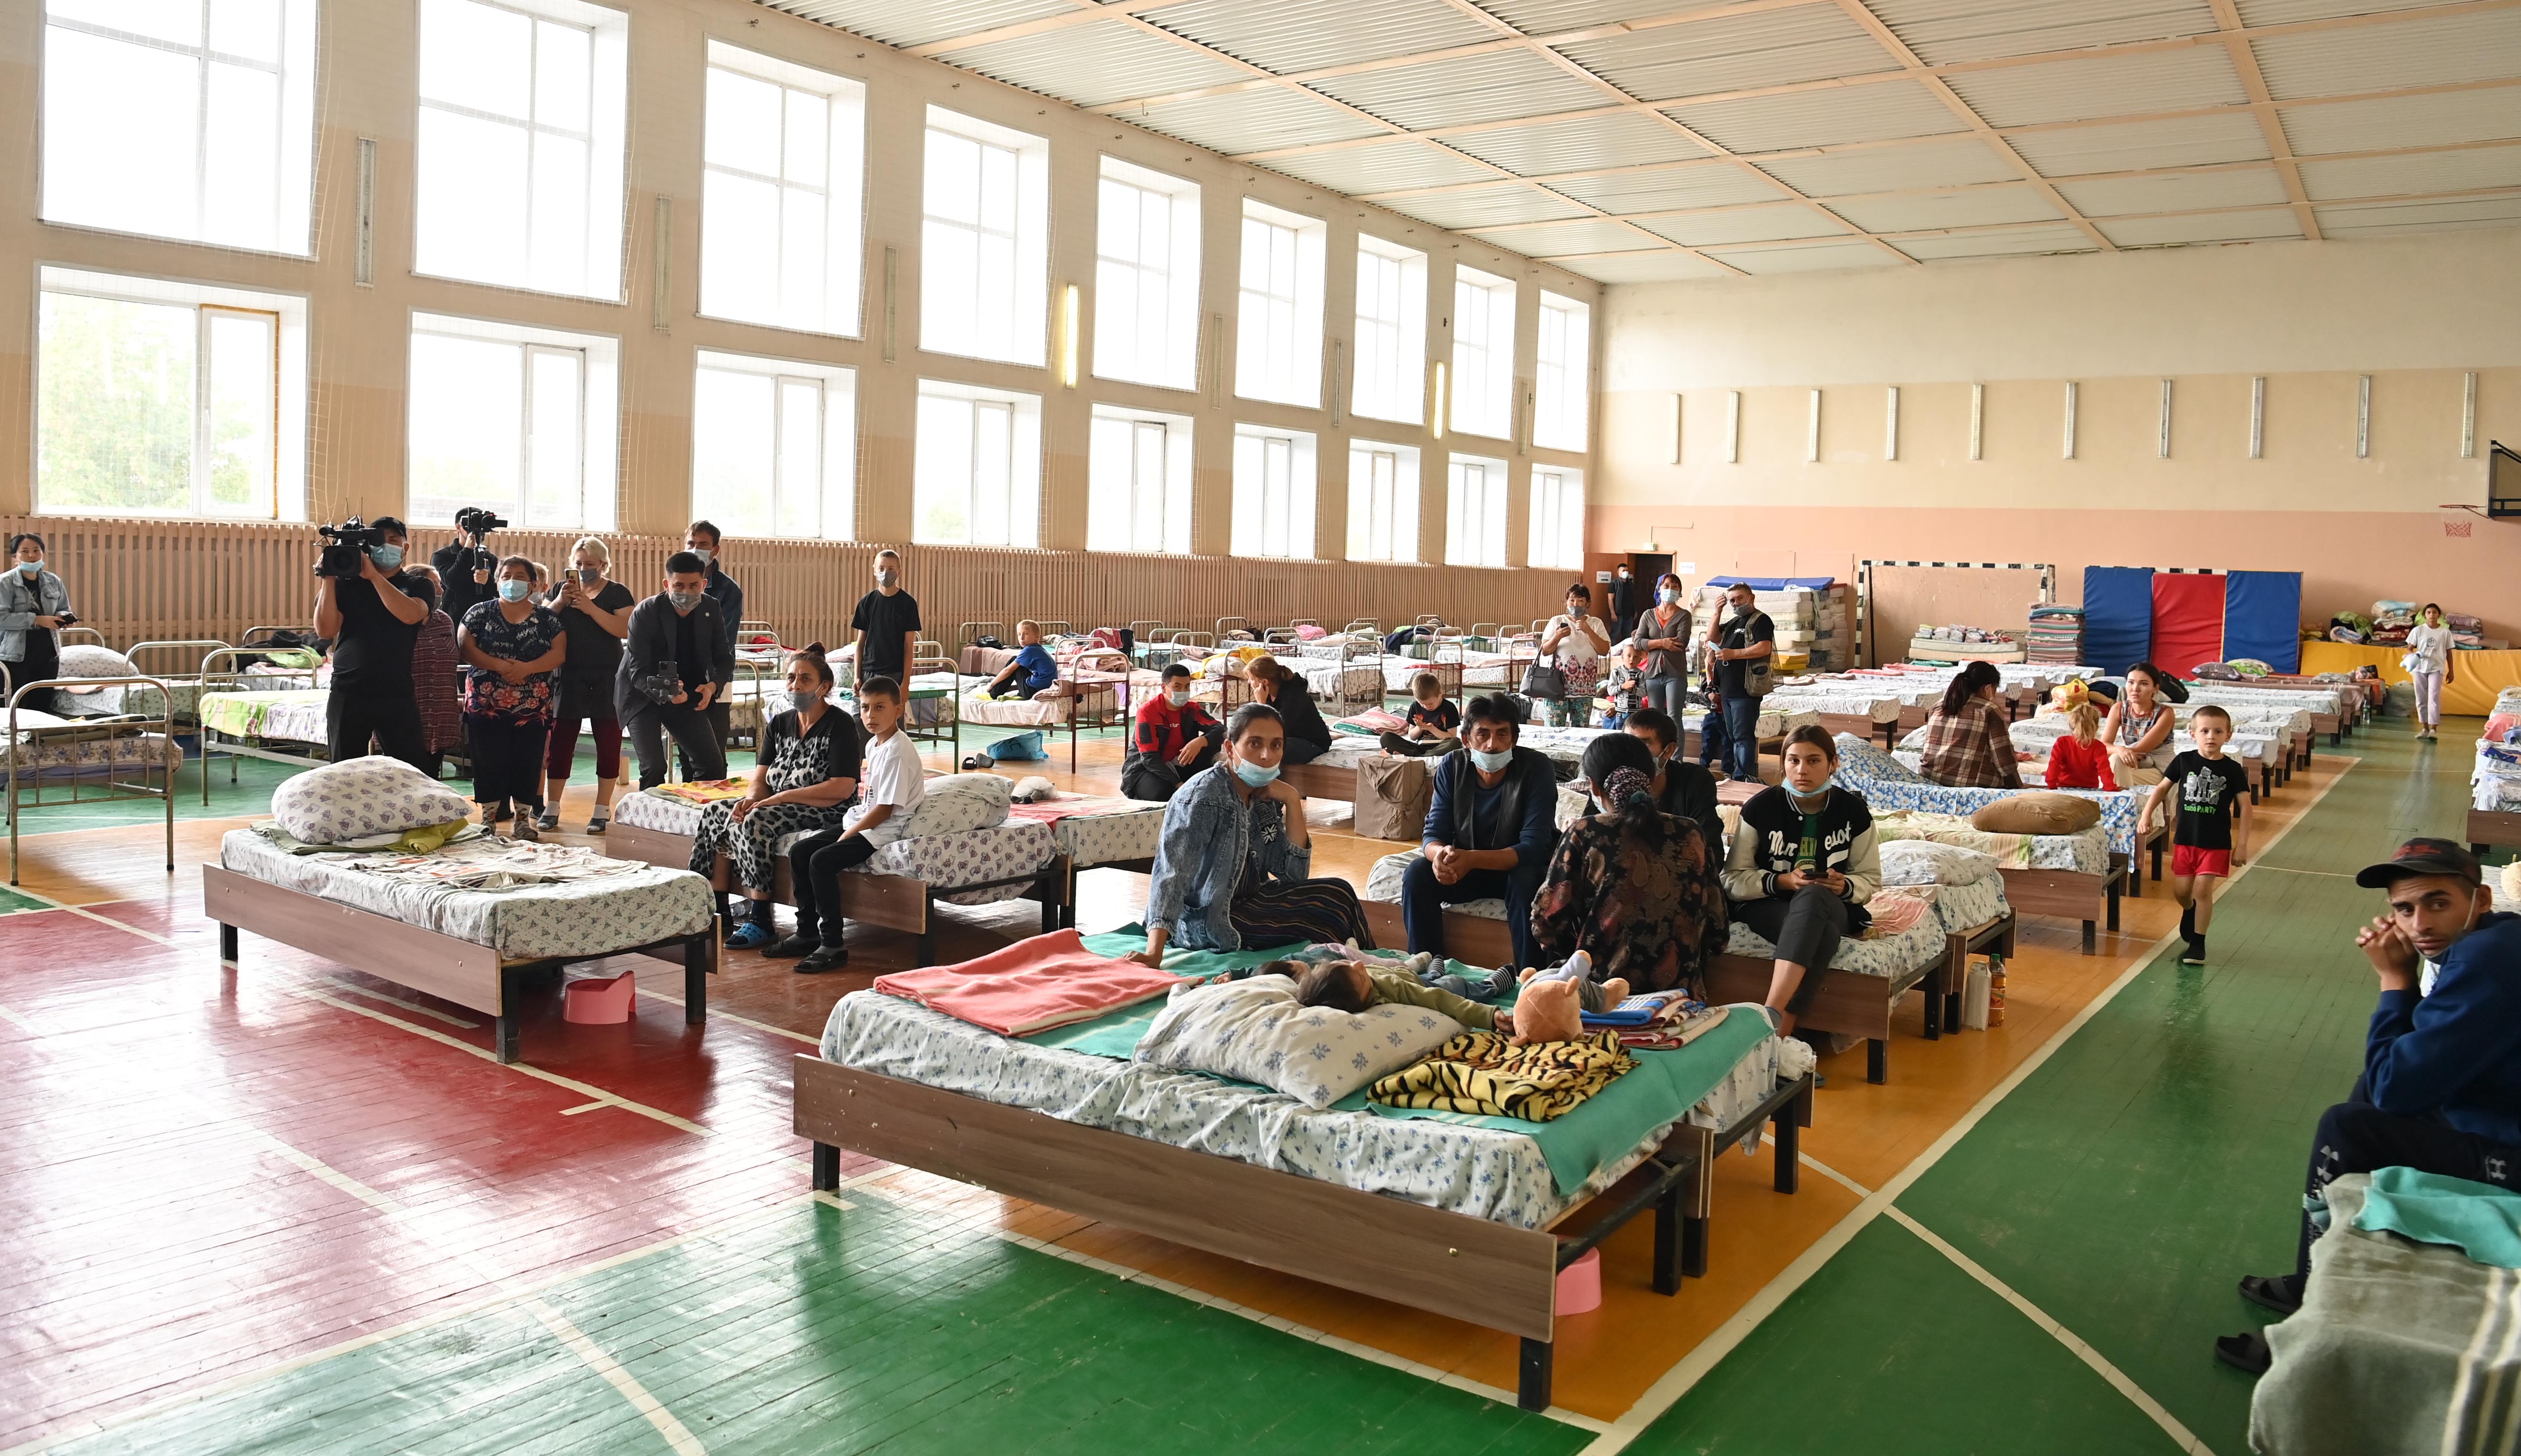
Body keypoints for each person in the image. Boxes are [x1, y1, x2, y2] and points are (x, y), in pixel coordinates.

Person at [2215, 839, 2521, 1377]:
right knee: (2367, 1095)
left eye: (2438, 903)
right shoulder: (2494, 942)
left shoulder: (2486, 960)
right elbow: (2409, 1063)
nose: (2420, 924)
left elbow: (2397, 1089)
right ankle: (2316, 1281)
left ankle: (2310, 1328)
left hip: (2510, 1156)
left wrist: (2394, 980)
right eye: (2404, 909)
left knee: (2347, 1127)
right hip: (2495, 1110)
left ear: (2482, 900)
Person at [1127, 703, 1374, 964]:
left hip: (1252, 900)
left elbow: (1294, 874)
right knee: (1323, 922)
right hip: (1212, 920)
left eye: (1276, 745)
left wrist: (1292, 799)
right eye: (1254, 744)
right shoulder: (1203, 797)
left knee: (1339, 893)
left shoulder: (1264, 795)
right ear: (1230, 749)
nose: (1266, 755)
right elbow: (1172, 874)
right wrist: (1154, 953)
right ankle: (1356, 966)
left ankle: (1365, 964)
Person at [1529, 732, 1728, 994]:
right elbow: (1717, 928)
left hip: (1600, 994)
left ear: (1594, 787)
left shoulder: (1587, 832)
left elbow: (1546, 924)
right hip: (1680, 994)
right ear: (1652, 780)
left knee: (1535, 984)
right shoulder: (1690, 832)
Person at [694, 648, 862, 953]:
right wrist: (750, 800)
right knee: (717, 812)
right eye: (791, 678)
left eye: (805, 679)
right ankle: (718, 910)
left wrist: (779, 799)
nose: (796, 685)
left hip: (827, 808)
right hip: (779, 802)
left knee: (757, 821)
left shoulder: (840, 725)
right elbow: (760, 779)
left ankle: (761, 919)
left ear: (824, 686)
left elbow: (842, 787)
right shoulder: (780, 723)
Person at [1723, 726, 1880, 1031]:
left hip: (1832, 905)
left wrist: (1844, 886)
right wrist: (1782, 882)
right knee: (1825, 935)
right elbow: (1732, 879)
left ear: (1833, 764)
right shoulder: (1760, 808)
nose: (1801, 770)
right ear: (1783, 763)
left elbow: (1871, 880)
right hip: (1767, 905)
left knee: (1815, 895)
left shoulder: (1854, 812)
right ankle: (1784, 1027)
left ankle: (1770, 1013)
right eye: (1793, 760)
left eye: (1813, 760)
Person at [1403, 695, 1560, 973]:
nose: (1492, 745)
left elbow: (1534, 846)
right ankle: (1427, 971)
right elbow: (1433, 832)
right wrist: (1439, 856)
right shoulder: (1452, 766)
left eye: (1502, 735)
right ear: (1466, 740)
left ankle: (1531, 978)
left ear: (1514, 739)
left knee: (1528, 881)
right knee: (1417, 873)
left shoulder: (1537, 768)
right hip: (1468, 870)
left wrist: (1472, 859)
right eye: (1483, 734)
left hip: (1516, 870)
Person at [788, 675, 922, 974]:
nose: (871, 716)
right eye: (865, 708)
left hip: (883, 830)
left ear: (898, 710)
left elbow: (885, 810)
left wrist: (849, 833)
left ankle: (832, 944)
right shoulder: (875, 744)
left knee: (821, 861)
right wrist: (851, 826)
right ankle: (806, 932)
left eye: (880, 707)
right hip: (865, 820)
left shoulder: (898, 752)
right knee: (800, 852)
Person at [457, 557, 566, 840]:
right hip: (486, 704)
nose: (512, 581)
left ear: (533, 584)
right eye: (506, 576)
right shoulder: (479, 612)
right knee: (487, 761)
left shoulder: (548, 618)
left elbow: (558, 654)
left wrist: (526, 669)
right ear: (497, 581)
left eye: (520, 576)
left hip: (533, 707)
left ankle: (523, 821)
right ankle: (488, 820)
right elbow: (465, 647)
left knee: (528, 762)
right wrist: (502, 667)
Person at [314, 516, 435, 771]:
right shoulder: (346, 586)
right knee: (345, 770)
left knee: (410, 769)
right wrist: (329, 578)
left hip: (396, 690)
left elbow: (411, 615)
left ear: (405, 548)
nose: (386, 545)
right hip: (348, 690)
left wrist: (374, 577)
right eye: (379, 540)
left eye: (394, 540)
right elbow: (325, 630)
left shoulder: (418, 584)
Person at [2145, 704, 2251, 967]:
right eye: (2205, 731)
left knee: (2203, 889)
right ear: (2193, 734)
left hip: (2216, 843)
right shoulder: (2184, 761)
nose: (2211, 736)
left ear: (2228, 735)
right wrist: (2146, 815)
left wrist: (2242, 845)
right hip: (2185, 840)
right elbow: (2161, 789)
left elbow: (2246, 808)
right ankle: (2189, 910)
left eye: (2218, 731)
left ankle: (2198, 944)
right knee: (2182, 892)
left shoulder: (2233, 770)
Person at [541, 537, 635, 832]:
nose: (584, 569)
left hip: (607, 675)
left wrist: (590, 608)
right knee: (560, 742)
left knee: (608, 742)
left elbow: (625, 629)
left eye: (590, 564)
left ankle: (602, 808)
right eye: (578, 564)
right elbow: (541, 622)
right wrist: (561, 602)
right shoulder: (560, 589)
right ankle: (552, 806)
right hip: (568, 674)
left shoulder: (617, 592)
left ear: (603, 565)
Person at [615, 551, 729, 790]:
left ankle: (700, 810)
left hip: (686, 694)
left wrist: (712, 686)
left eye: (693, 586)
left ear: (703, 585)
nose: (686, 592)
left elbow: (724, 658)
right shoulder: (646, 612)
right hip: (642, 696)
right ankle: (650, 813)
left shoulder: (711, 608)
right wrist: (668, 693)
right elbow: (637, 671)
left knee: (712, 764)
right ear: (667, 585)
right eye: (679, 586)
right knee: (654, 767)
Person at [683, 522, 743, 778]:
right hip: (684, 677)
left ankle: (717, 797)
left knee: (715, 749)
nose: (696, 549)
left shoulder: (729, 590)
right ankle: (686, 796)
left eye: (703, 545)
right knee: (686, 751)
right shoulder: (677, 583)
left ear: (715, 550)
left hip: (717, 676)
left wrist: (711, 680)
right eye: (691, 543)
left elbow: (724, 642)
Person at [1625, 706, 1724, 854]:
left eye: (1644, 745)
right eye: (1627, 744)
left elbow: (1710, 851)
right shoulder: (1612, 783)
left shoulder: (1694, 781)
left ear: (1669, 750)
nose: (1632, 753)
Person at [1919, 660, 2028, 789]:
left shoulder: (1939, 705)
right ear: (1988, 689)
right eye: (1995, 690)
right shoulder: (1989, 710)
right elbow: (2005, 762)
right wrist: (2018, 788)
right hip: (1968, 784)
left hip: (1930, 779)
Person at [1123, 663, 1220, 802]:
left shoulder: (1191, 709)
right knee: (1163, 794)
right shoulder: (1148, 712)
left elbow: (1221, 730)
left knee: (1214, 750)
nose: (1183, 691)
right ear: (1164, 688)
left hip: (1180, 764)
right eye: (1178, 687)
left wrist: (1201, 741)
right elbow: (1149, 758)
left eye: (1187, 687)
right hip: (1146, 769)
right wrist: (1178, 784)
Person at [1710, 581, 1775, 785]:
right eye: (1732, 600)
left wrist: (1733, 654)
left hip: (1746, 690)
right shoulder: (1733, 623)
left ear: (1751, 598)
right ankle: (1737, 774)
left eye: (1740, 598)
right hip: (1727, 690)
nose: (1736, 603)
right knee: (1733, 736)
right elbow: (1712, 638)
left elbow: (1764, 648)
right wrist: (1717, 612)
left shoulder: (1761, 620)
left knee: (1743, 736)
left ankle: (1743, 778)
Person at [1, 533, 74, 715]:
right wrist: (37, 619)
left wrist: (63, 618)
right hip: (15, 656)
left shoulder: (53, 581)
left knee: (43, 706)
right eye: (25, 551)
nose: (32, 556)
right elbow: (2, 617)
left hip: (48, 653)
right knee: (16, 708)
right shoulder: (5, 583)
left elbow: (63, 608)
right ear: (15, 557)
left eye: (36, 550)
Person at [404, 565, 464, 782]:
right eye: (435, 585)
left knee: (431, 780)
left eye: (440, 585)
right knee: (406, 780)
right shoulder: (399, 622)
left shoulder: (444, 621)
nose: (441, 590)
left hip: (440, 717)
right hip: (407, 717)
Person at [1537, 583, 1610, 728]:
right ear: (1566, 602)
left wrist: (1588, 631)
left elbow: (1604, 650)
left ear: (1588, 603)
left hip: (1585, 690)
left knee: (1581, 730)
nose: (1576, 604)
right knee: (1553, 730)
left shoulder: (1596, 623)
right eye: (1572, 600)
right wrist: (1557, 636)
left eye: (1580, 601)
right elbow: (1545, 651)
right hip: (1557, 688)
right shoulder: (1557, 621)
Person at [848, 549, 919, 688]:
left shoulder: (908, 604)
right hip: (868, 672)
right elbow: (860, 643)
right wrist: (857, 677)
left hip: (895, 673)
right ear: (874, 571)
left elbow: (909, 647)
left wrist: (906, 683)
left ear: (899, 572)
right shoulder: (866, 602)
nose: (886, 573)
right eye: (881, 568)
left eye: (891, 569)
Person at [2099, 662, 2177, 787]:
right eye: (2131, 682)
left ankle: (2121, 796)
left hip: (2158, 768)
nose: (2135, 689)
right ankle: (2124, 796)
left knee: (2114, 765)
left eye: (2144, 684)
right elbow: (2103, 746)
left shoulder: (2165, 713)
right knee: (2113, 765)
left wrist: (2120, 752)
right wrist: (2120, 749)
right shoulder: (2119, 708)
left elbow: (2141, 750)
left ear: (2155, 688)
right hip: (2132, 763)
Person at [1247, 658, 1331, 765]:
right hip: (1289, 738)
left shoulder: (1295, 695)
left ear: (1264, 682)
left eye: (1251, 679)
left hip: (1312, 743)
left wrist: (1261, 705)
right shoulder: (1268, 695)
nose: (1249, 682)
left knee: (1268, 750)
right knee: (1248, 745)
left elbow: (1274, 730)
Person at [1634, 573, 1692, 726]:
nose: (1670, 589)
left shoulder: (1684, 615)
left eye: (1675, 587)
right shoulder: (1648, 615)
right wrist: (1663, 643)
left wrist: (1651, 644)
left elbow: (1681, 643)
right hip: (1653, 674)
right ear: (1659, 589)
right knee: (1655, 718)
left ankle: (1676, 743)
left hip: (1676, 674)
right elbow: (1638, 642)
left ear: (1680, 592)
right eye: (1666, 586)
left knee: (1674, 718)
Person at [2404, 602, 2456, 741]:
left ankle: (2433, 729)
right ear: (2424, 615)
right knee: (2421, 697)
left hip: (2437, 668)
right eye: (2429, 612)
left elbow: (2449, 652)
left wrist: (2451, 671)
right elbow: (2409, 648)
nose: (2432, 615)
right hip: (2419, 668)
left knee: (2434, 697)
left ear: (2439, 615)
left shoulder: (2445, 632)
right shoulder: (2418, 630)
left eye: (2434, 612)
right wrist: (2413, 655)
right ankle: (2424, 728)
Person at [430, 520, 496, 627]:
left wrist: (488, 580)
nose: (477, 531)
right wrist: (467, 550)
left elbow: (499, 591)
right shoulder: (441, 556)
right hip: (453, 619)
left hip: (484, 620)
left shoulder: (491, 559)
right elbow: (451, 582)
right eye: (470, 526)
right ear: (459, 527)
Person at [1379, 671, 1461, 757]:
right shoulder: (1415, 706)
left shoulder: (1449, 708)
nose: (1426, 707)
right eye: (1422, 704)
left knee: (1456, 743)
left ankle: (1419, 756)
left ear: (1440, 694)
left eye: (1430, 704)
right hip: (1419, 747)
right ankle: (1421, 755)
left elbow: (1452, 737)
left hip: (1441, 746)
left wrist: (1432, 729)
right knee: (1386, 737)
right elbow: (1412, 737)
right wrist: (1420, 727)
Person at [2043, 702, 2117, 791]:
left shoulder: (2062, 742)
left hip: (2064, 788)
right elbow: (2105, 771)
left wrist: (2051, 786)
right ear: (2097, 728)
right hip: (2090, 791)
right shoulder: (2099, 747)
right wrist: (2111, 788)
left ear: (2071, 726)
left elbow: (2054, 765)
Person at [982, 620, 1058, 700]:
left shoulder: (1030, 650)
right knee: (1019, 662)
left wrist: (992, 684)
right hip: (1043, 690)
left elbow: (1007, 671)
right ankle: (1021, 695)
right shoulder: (1039, 649)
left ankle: (992, 695)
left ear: (1037, 637)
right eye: (1019, 634)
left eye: (1026, 634)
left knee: (1014, 662)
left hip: (1033, 692)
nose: (1022, 638)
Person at [1607, 561, 1643, 645]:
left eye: (1627, 570)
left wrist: (1635, 611)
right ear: (1619, 572)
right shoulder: (1614, 583)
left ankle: (1626, 651)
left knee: (1628, 636)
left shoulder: (1630, 584)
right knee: (1614, 635)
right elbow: (1610, 599)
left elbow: (1633, 598)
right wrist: (1613, 613)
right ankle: (1611, 650)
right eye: (1623, 571)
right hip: (1618, 614)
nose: (1626, 572)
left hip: (1629, 614)